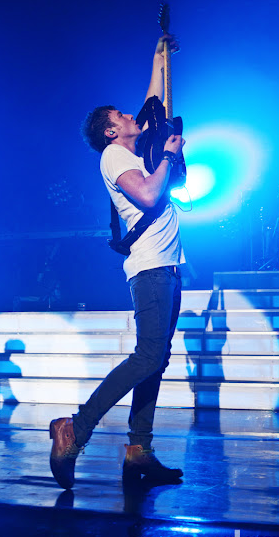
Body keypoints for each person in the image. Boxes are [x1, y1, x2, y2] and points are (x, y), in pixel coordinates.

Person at [49, 35, 185, 489]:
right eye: (121, 116)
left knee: (156, 358)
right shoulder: (113, 155)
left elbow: (151, 104)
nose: (131, 116)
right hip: (150, 267)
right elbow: (147, 194)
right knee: (148, 355)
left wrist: (159, 56)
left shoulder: (129, 148)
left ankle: (138, 452)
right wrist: (168, 156)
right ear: (110, 132)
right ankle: (75, 428)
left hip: (166, 265)